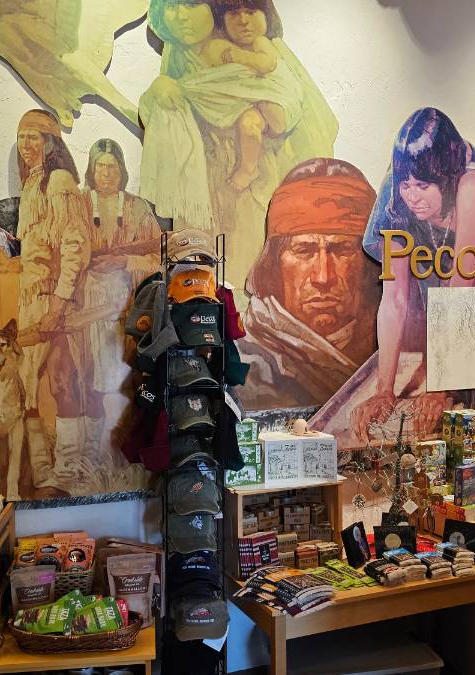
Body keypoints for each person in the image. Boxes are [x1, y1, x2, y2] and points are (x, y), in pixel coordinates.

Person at [349, 108, 475, 439]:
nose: (412, 196)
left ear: (446, 179)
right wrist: (384, 390)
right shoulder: (396, 192)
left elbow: (461, 292)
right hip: (467, 310)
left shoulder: (473, 187)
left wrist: (441, 388)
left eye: (423, 185)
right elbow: (395, 299)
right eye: (407, 185)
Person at [139, 0, 336, 289]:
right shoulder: (179, 54)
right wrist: (161, 89)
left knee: (248, 264)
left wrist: (255, 103)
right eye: (173, 7)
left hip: (252, 178)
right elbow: (158, 111)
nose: (182, 16)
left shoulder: (257, 46)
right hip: (201, 180)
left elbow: (292, 107)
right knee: (204, 270)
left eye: (192, 5)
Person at [0, 109, 92, 493]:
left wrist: (59, 305)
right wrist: (8, 265)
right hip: (32, 299)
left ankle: (70, 470)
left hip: (57, 298)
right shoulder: (32, 185)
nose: (26, 144)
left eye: (34, 137)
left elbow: (75, 246)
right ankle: (44, 471)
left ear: (50, 143)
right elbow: (37, 253)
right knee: (29, 387)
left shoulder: (60, 181)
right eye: (22, 137)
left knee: (62, 380)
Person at [240, 158, 379, 410]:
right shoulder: (246, 364)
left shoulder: (402, 355)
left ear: (368, 266)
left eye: (342, 250)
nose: (323, 277)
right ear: (274, 262)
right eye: (304, 250)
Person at [79, 138, 162, 459]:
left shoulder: (138, 210)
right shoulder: (78, 206)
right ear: (91, 169)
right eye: (100, 166)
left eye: (112, 167)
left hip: (129, 307)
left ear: (122, 170)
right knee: (86, 380)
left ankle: (124, 447)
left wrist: (124, 261)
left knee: (126, 378)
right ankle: (90, 452)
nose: (106, 173)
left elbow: (158, 257)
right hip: (86, 309)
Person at [199, 0, 294, 192]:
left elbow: (267, 64)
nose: (243, 21)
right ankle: (249, 169)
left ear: (266, 16)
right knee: (248, 125)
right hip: (253, 106)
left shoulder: (261, 42)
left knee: (269, 111)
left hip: (276, 100)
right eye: (234, 14)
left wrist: (241, 57)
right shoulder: (221, 45)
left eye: (250, 12)